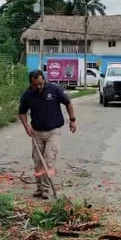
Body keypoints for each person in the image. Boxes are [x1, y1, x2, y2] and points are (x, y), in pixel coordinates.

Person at [18, 70, 78, 199]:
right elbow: (22, 112)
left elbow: (68, 103)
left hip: (53, 131)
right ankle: (39, 188)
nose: (39, 87)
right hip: (37, 132)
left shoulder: (54, 89)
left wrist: (72, 121)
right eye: (35, 85)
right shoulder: (27, 94)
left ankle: (46, 189)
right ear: (31, 84)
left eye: (40, 83)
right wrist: (26, 127)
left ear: (44, 80)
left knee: (49, 159)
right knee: (38, 162)